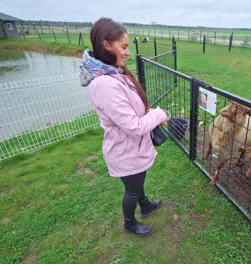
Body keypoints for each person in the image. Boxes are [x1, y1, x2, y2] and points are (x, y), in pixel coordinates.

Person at [79, 18, 168, 237]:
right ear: (107, 45)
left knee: (138, 181)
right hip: (125, 149)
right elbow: (134, 126)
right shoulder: (104, 84)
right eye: (124, 46)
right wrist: (158, 114)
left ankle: (145, 205)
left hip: (133, 148)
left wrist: (152, 114)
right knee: (132, 190)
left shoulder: (113, 73)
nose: (128, 52)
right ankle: (129, 223)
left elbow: (133, 112)